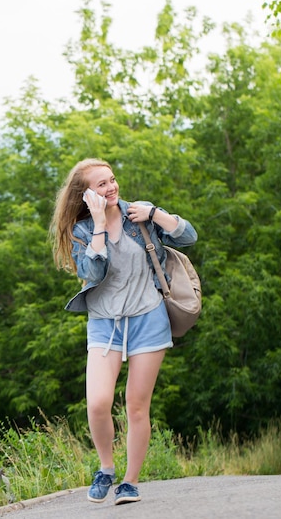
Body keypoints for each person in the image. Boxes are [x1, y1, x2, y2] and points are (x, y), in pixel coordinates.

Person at [50, 158, 198, 505]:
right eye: (101, 184)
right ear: (85, 194)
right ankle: (106, 468)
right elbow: (93, 272)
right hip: (105, 323)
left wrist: (156, 213)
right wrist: (100, 224)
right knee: (98, 403)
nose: (111, 187)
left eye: (112, 180)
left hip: (149, 318)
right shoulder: (82, 230)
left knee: (136, 406)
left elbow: (188, 236)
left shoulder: (139, 215)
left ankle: (130, 482)